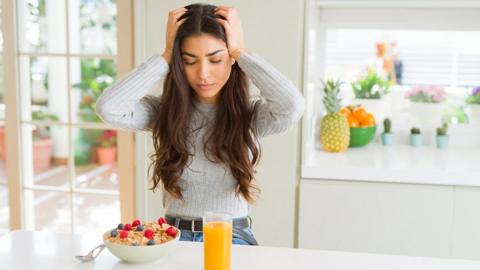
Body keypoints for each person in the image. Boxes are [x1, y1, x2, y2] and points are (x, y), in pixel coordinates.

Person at [95, 3, 304, 245]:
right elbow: (108, 108)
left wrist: (240, 50)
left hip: (231, 235)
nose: (203, 73)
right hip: (173, 236)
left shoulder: (251, 115)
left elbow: (293, 105)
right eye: (189, 61)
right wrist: (164, 57)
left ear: (232, 60)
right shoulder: (164, 112)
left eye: (215, 59)